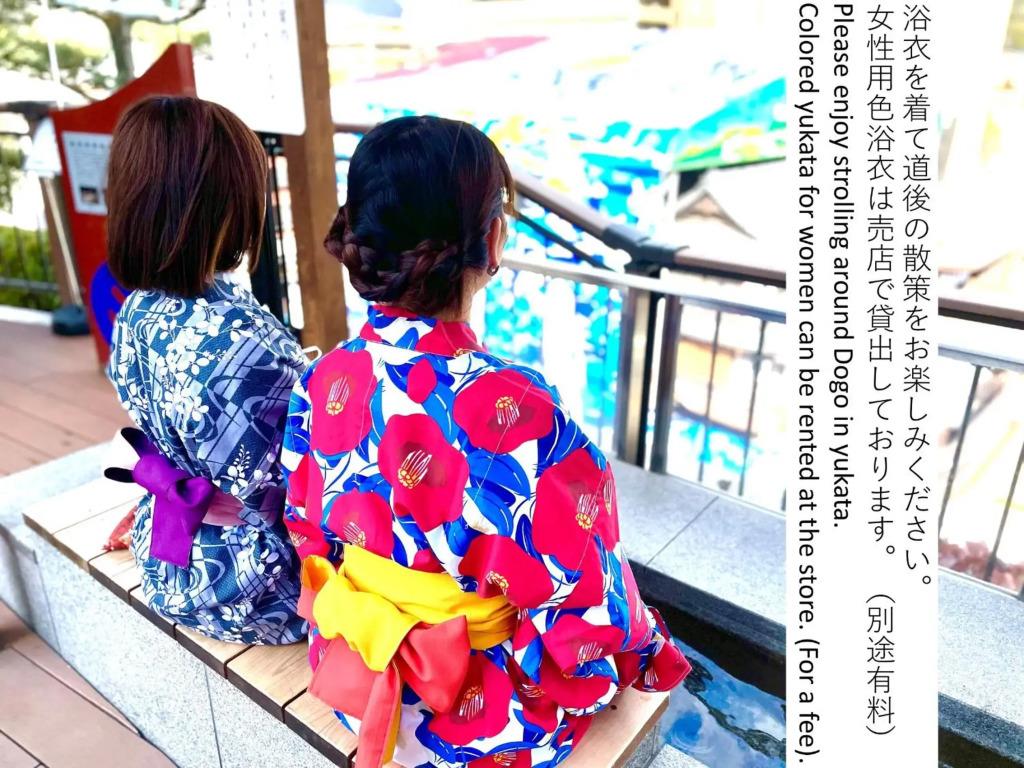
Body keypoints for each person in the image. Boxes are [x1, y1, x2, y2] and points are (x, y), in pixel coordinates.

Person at [282, 115, 690, 768]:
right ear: (492, 241)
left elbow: (306, 526)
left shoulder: (323, 376)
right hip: (479, 715)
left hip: (357, 669)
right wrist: (645, 651)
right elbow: (584, 595)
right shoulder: (521, 411)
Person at [103, 96, 306, 645]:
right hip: (258, 587)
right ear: (227, 204)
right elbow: (291, 492)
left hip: (171, 552)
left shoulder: (138, 310)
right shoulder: (243, 345)